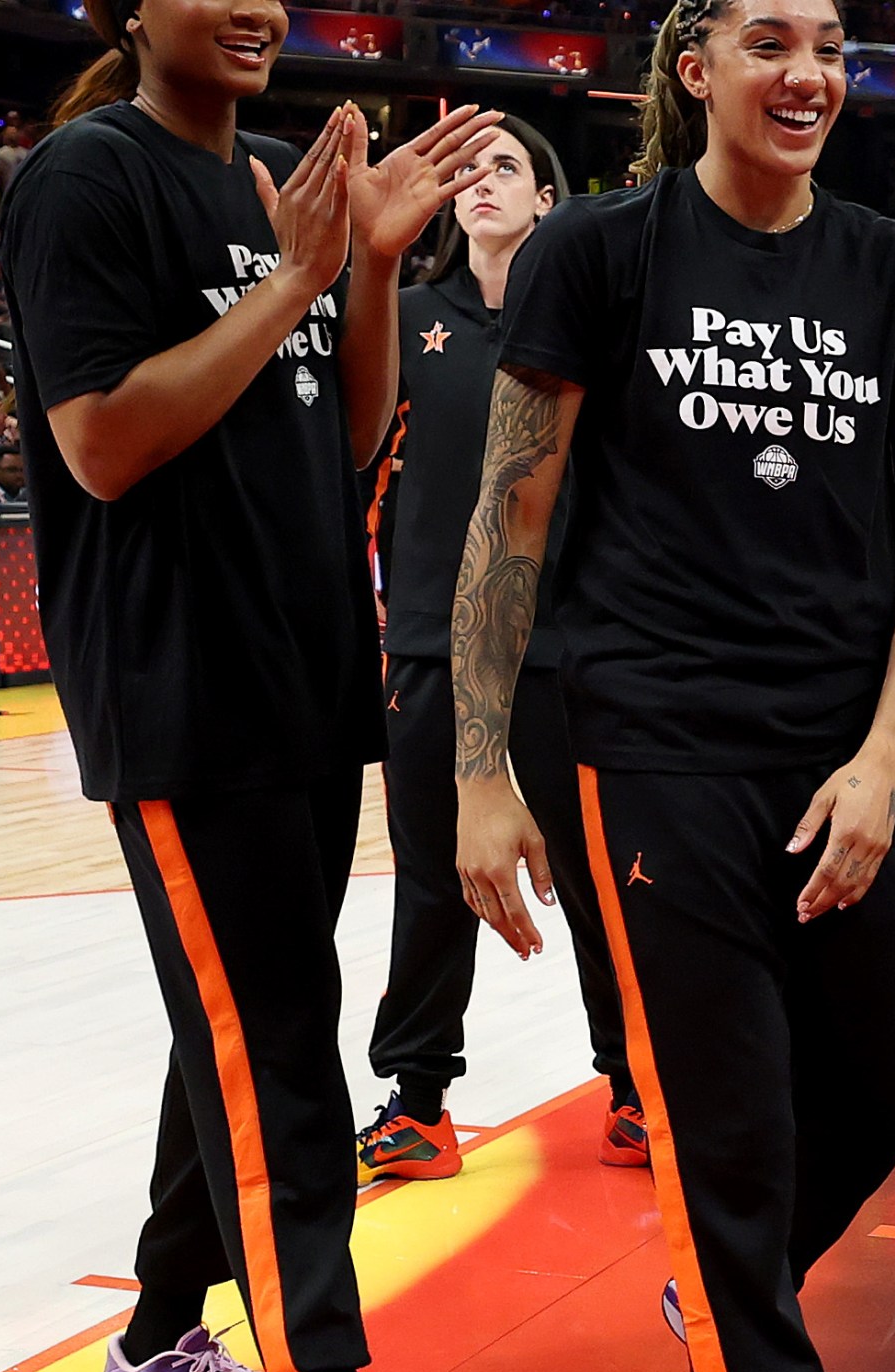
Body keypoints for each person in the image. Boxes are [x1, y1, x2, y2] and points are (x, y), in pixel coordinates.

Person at [452, 0, 895, 1372]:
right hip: (653, 755)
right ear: (697, 70)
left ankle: (721, 1285)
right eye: (768, 41)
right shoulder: (596, 253)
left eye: (829, 44)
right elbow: (510, 519)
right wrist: (479, 769)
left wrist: (885, 758)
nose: (808, 73)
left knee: (885, 1090)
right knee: (728, 1142)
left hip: (838, 760)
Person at [3, 0, 499, 1372]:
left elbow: (346, 435)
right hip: (180, 686)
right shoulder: (87, 177)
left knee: (237, 1015)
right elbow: (98, 443)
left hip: (302, 668)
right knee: (277, 1038)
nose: (257, 10)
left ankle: (160, 1342)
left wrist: (364, 272)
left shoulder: (276, 176)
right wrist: (293, 278)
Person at [354, 112, 644, 1186]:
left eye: (507, 167)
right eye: (468, 170)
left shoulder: (593, 327)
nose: (482, 181)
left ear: (547, 201)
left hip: (567, 642)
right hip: (432, 643)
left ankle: (637, 1090)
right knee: (433, 880)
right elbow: (355, 451)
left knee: (603, 877)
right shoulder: (404, 316)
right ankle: (419, 1104)